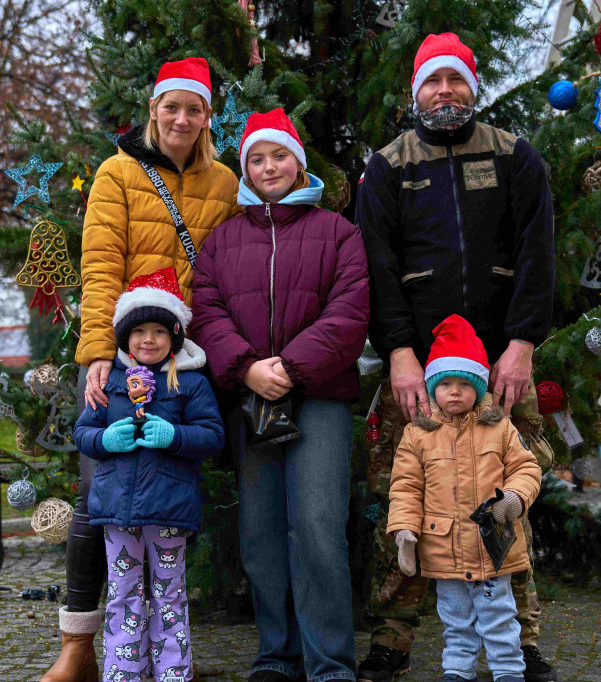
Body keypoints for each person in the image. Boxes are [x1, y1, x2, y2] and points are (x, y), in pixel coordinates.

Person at [355, 33, 558, 682]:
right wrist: (397, 354)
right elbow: (376, 268)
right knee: (407, 496)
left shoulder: (515, 157)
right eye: (432, 82)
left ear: (472, 86)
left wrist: (522, 343)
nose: (445, 91)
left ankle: (521, 644)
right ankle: (392, 640)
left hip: (501, 364)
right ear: (416, 91)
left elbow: (537, 254)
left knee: (506, 503)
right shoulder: (388, 167)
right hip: (417, 374)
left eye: (456, 81)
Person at [42, 56, 239, 682]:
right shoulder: (118, 172)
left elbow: (226, 273)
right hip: (120, 353)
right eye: (171, 106)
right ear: (154, 110)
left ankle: (171, 650)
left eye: (195, 108)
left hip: (190, 362)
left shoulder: (226, 182)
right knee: (99, 492)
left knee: (175, 487)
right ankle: (78, 644)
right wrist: (99, 352)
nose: (182, 118)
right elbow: (100, 266)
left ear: (208, 117)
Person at [190, 108, 369, 682]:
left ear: (298, 162)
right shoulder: (221, 241)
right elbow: (206, 312)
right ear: (244, 169)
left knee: (317, 525)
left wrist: (289, 368)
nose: (269, 167)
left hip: (319, 398)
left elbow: (349, 313)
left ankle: (330, 661)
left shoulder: (338, 232)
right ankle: (276, 654)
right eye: (257, 159)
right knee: (261, 530)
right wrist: (247, 370)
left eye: (279, 156)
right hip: (250, 402)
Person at [74, 267, 224, 682]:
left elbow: (212, 435)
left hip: (168, 509)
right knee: (123, 593)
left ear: (173, 337)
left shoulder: (190, 382)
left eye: (159, 331)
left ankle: (173, 669)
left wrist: (174, 435)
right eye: (139, 332)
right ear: (125, 338)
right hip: (117, 509)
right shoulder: (110, 380)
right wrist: (106, 440)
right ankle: (124, 671)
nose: (148, 340)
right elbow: (83, 432)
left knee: (168, 593)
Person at [388, 315, 542, 682]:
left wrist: (515, 499)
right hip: (444, 548)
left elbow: (527, 468)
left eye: (463, 384)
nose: (454, 392)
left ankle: (508, 671)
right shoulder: (416, 435)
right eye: (445, 384)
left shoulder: (500, 427)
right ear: (432, 388)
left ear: (478, 386)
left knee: (499, 617)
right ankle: (457, 671)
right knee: (455, 619)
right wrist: (405, 531)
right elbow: (405, 487)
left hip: (493, 547)